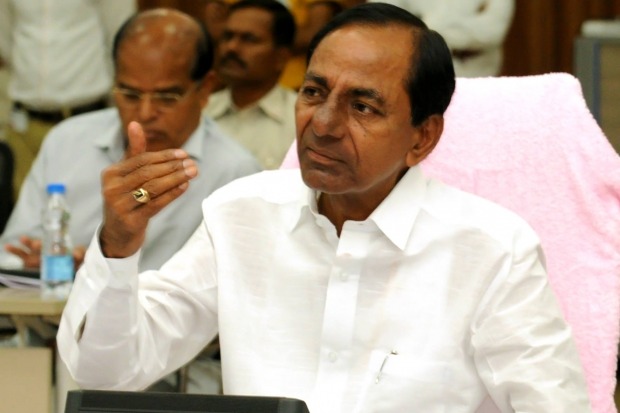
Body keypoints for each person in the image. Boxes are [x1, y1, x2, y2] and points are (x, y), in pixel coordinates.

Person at [57, 3, 591, 412]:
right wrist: (118, 245)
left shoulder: (493, 250)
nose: (325, 124)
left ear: (422, 138)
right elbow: (109, 371)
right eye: (314, 92)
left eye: (363, 106)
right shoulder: (242, 214)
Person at [0, 8, 261, 272]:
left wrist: (99, 267)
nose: (145, 113)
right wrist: (37, 260)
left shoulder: (235, 172)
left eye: (166, 98)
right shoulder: (67, 141)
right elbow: (10, 251)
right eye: (130, 94)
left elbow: (238, 279)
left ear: (205, 90)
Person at [0, 0, 136, 201]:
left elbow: (122, 39)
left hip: (86, 120)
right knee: (27, 210)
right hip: (27, 124)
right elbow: (5, 38)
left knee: (87, 207)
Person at [205, 0, 298, 170]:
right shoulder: (201, 111)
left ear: (281, 57)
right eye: (228, 36)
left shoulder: (299, 121)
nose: (231, 47)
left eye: (249, 39)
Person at [369, 0, 515, 77]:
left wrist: (428, 27)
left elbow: (493, 32)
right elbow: (381, 24)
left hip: (478, 74)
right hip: (417, 72)